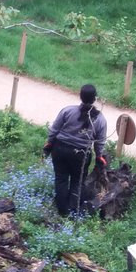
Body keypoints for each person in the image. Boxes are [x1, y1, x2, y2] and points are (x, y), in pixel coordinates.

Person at [44, 84, 108, 217]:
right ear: (95, 98)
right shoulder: (100, 119)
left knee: (61, 179)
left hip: (60, 149)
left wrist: (49, 143)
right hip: (81, 154)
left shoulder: (67, 111)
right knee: (76, 182)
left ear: (80, 96)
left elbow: (54, 130)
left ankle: (61, 210)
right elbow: (100, 141)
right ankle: (71, 212)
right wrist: (99, 156)